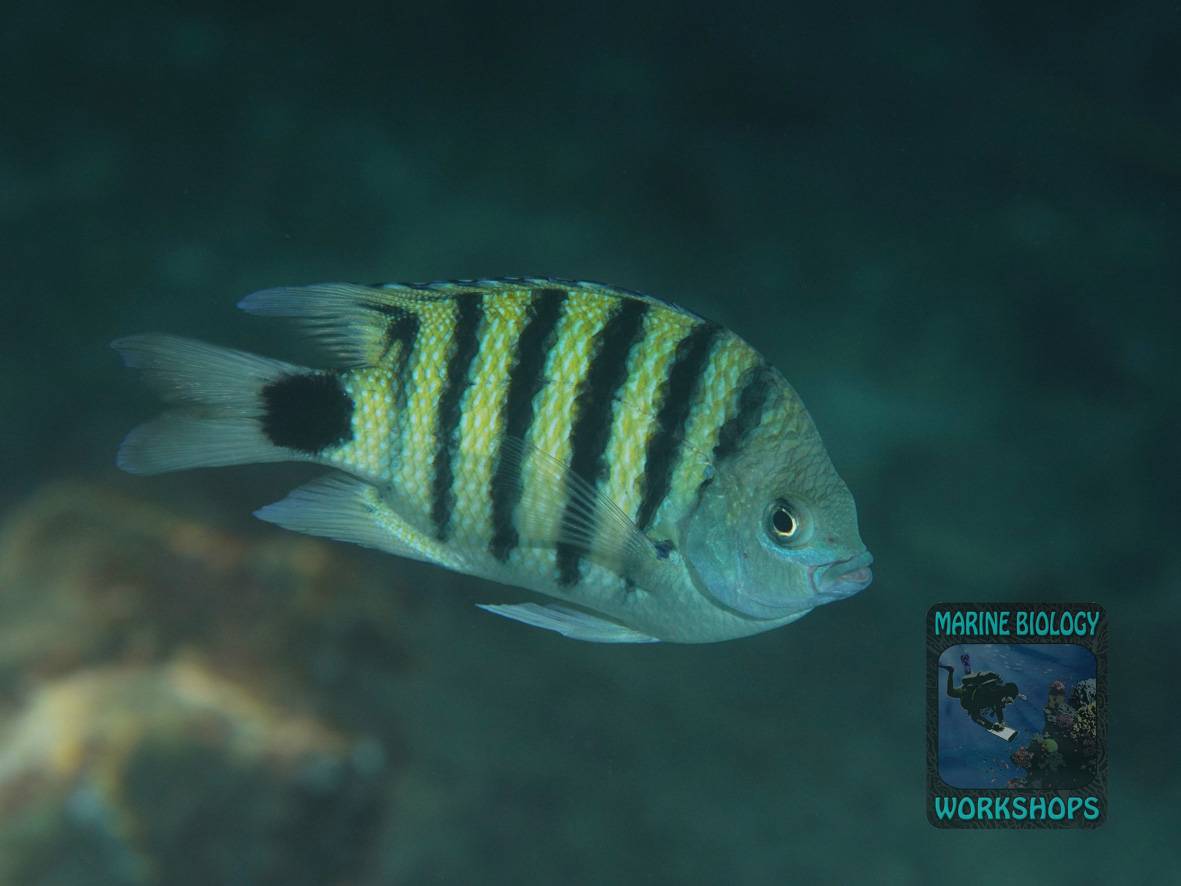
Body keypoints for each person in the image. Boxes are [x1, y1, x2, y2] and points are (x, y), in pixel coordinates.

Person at [940, 664, 1020, 732]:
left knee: (969, 677)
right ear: (1005, 694)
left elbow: (998, 708)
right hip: (966, 693)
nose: (1007, 703)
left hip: (974, 692)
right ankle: (951, 671)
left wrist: (1001, 722)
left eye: (1009, 702)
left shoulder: (997, 696)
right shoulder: (989, 693)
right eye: (1008, 701)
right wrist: (991, 726)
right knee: (950, 692)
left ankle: (969, 674)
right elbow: (975, 716)